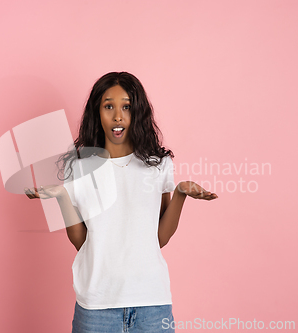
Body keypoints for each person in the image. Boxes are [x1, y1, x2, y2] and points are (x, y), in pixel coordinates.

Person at [25, 72, 217, 332]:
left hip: (152, 303)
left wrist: (180, 193)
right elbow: (82, 242)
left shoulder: (157, 165)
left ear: (137, 112)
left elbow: (158, 238)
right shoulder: (80, 168)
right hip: (96, 307)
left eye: (126, 107)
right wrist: (61, 197)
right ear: (97, 112)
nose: (118, 116)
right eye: (109, 107)